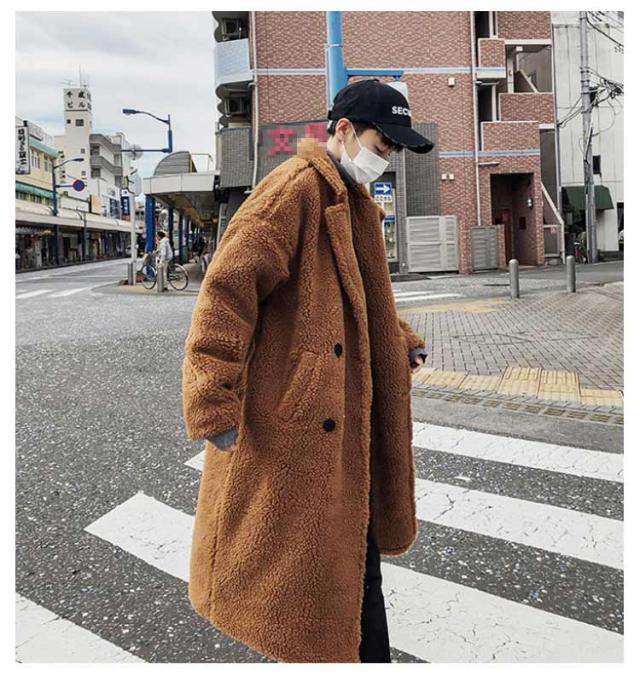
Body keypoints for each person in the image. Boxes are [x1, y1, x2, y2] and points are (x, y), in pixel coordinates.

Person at [182, 78, 432, 663]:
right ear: (343, 130)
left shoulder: (353, 203)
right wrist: (212, 399)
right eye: (382, 144)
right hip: (297, 431)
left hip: (340, 425)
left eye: (393, 149)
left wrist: (399, 341)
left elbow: (360, 300)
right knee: (311, 581)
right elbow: (225, 292)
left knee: (351, 567)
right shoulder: (292, 191)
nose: (386, 158)